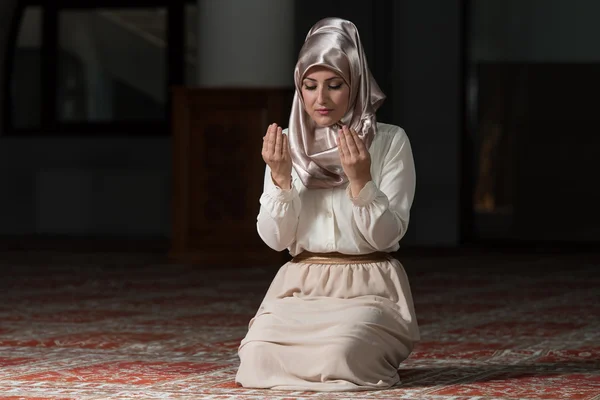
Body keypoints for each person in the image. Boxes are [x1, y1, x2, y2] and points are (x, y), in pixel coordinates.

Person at [235, 17, 419, 392]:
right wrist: (282, 179)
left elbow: (386, 237)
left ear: (357, 85)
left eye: (335, 85)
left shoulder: (389, 141)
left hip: (370, 288)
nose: (321, 99)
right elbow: (274, 240)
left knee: (341, 353)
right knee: (256, 358)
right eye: (310, 86)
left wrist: (360, 179)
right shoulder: (285, 144)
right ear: (298, 89)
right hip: (299, 288)